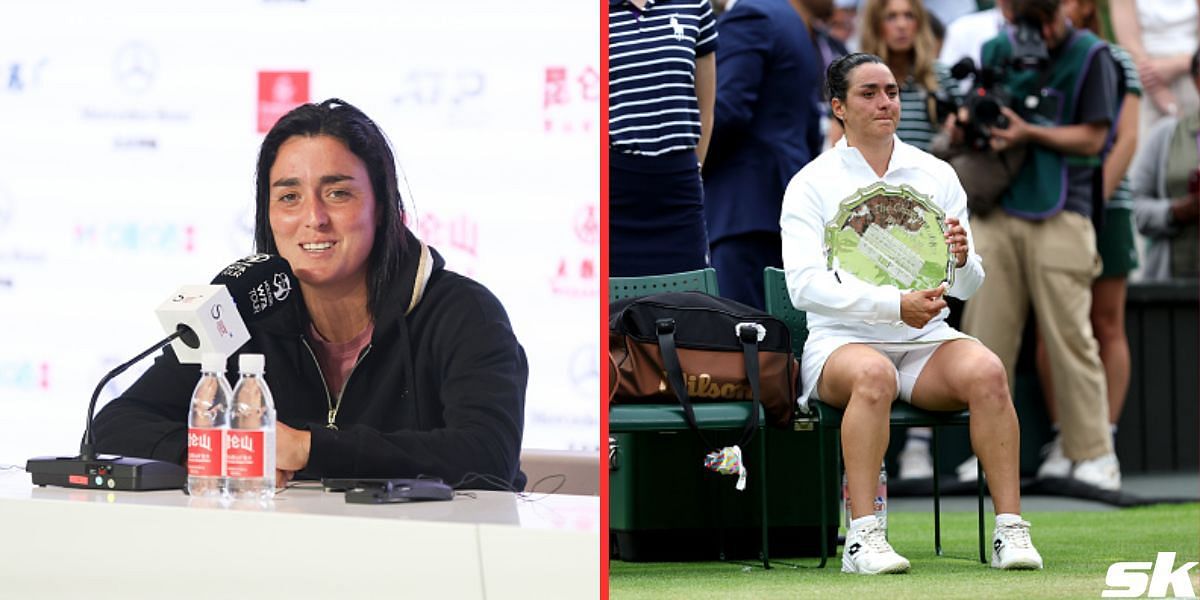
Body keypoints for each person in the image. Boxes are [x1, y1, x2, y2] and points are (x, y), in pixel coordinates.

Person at [93, 99, 529, 491]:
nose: (313, 218)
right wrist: (207, 454)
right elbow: (113, 426)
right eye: (289, 196)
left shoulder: (463, 313)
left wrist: (307, 449)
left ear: (383, 208)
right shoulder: (242, 309)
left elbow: (488, 455)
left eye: (338, 193)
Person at [781, 52, 1043, 574]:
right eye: (869, 93)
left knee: (989, 370)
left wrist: (964, 260)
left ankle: (1010, 531)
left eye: (892, 92)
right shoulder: (809, 183)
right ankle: (862, 537)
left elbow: (965, 286)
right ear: (838, 107)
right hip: (840, 343)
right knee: (874, 375)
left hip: (924, 339)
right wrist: (891, 304)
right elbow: (803, 288)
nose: (885, 103)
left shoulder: (936, 173)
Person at [952, 0, 1121, 491]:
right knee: (985, 341)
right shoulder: (995, 47)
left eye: (1042, 18)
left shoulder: (1093, 54)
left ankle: (1092, 453)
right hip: (997, 208)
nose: (1035, 31)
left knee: (1071, 336)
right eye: (1024, 18)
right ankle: (985, 455)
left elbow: (1094, 139)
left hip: (1063, 209)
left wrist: (1028, 131)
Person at [1034, 0, 1142, 480]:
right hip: (1049, 205)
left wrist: (1088, 205)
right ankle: (1067, 437)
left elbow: (1126, 139)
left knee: (1106, 321)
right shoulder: (1036, 57)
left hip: (1102, 206)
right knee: (1051, 325)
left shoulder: (1114, 57)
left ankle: (1103, 440)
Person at [854, 0, 961, 479]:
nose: (900, 25)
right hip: (870, 224)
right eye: (890, 16)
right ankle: (868, 463)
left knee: (929, 319)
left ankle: (918, 447)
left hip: (924, 224)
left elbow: (951, 147)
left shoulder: (937, 80)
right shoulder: (855, 76)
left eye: (909, 16)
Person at [702, 0, 824, 309]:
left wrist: (688, 165)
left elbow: (727, 112)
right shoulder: (793, 21)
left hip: (743, 208)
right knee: (778, 339)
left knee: (740, 336)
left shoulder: (749, 15)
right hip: (785, 199)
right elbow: (810, 124)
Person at [609, 0, 719, 277]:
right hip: (614, 186)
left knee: (688, 299)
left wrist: (694, 167)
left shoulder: (695, 5)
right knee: (615, 307)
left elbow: (705, 108)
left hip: (678, 187)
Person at [1131, 49, 1200, 281]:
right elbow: (1136, 207)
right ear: (1196, 80)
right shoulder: (1166, 135)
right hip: (1173, 286)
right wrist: (1174, 212)